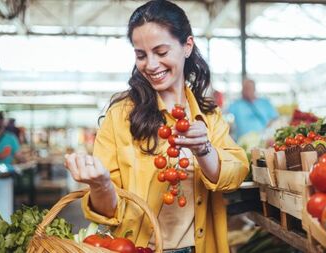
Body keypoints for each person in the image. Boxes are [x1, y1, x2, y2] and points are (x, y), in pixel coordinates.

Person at [64, 1, 249, 253]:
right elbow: (107, 212)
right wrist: (101, 185)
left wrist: (204, 150)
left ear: (187, 46)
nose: (150, 65)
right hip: (138, 248)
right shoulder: (120, 116)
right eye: (141, 55)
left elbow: (236, 173)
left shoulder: (207, 115)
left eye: (161, 52)